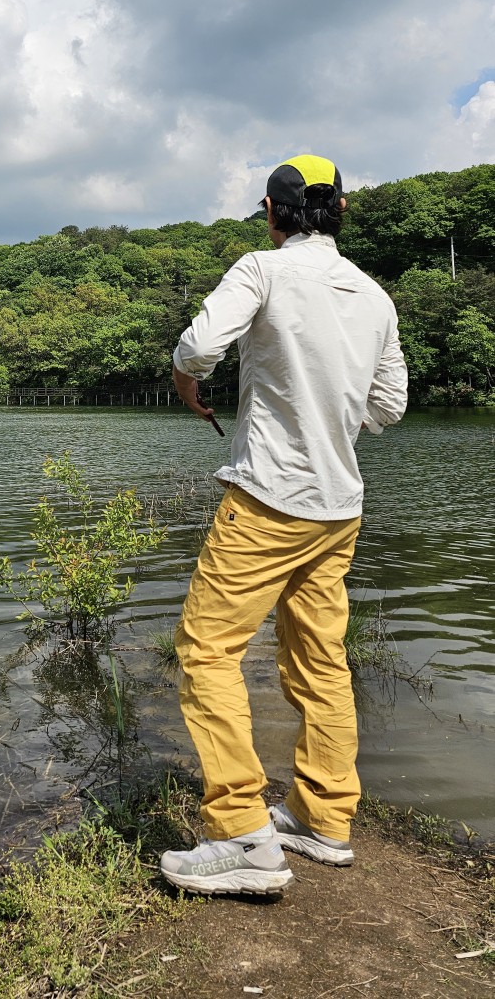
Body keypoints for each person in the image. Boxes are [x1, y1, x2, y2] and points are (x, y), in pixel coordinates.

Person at [160, 153, 408, 896]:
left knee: (206, 652)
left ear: (273, 212)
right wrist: (331, 409)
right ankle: (324, 820)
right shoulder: (373, 296)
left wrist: (185, 384)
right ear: (339, 214)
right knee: (320, 662)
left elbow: (199, 347)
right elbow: (388, 407)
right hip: (340, 510)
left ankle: (242, 833)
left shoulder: (261, 270)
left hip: (268, 500)